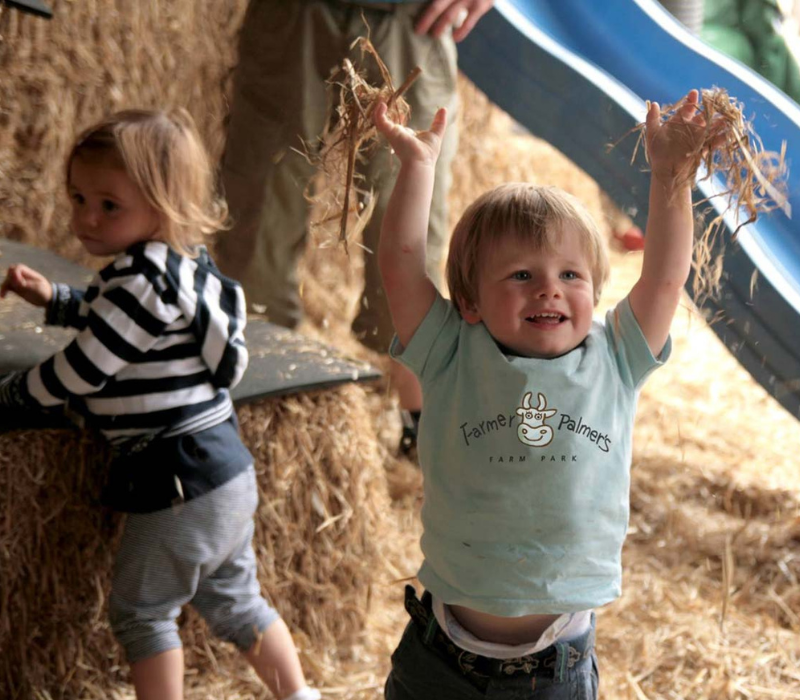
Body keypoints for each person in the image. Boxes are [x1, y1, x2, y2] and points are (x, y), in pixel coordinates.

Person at [373, 90, 710, 698]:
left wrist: (672, 175)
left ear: (594, 290)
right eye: (522, 275)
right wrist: (419, 168)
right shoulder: (449, 351)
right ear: (469, 300)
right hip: (438, 656)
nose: (549, 290)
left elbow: (664, 277)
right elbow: (399, 266)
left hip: (553, 667)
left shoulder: (616, 356)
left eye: (570, 274)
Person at [0, 110, 320, 700]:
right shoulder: (177, 264)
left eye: (109, 206)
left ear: (163, 204)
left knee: (141, 613)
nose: (86, 218)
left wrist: (13, 394)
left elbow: (81, 372)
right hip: (223, 471)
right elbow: (113, 316)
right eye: (78, 198)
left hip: (178, 482)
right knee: (239, 603)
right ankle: (299, 696)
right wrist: (55, 299)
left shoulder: (138, 282)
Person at [215, 0, 493, 455]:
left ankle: (421, 430)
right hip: (296, 14)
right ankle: (254, 414)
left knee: (413, 223)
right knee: (260, 216)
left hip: (412, 19)